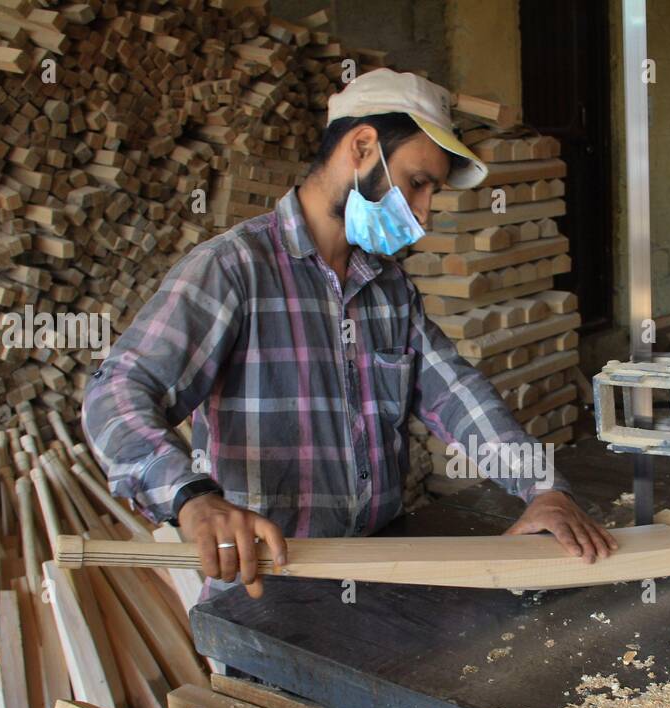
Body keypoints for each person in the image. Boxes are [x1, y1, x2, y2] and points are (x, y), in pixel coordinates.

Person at [83, 68, 616, 599]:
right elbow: (117, 393)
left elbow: (456, 396)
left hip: (377, 570)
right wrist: (191, 497)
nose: (425, 214)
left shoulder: (388, 287)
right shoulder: (233, 270)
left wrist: (543, 488)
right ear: (362, 146)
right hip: (268, 586)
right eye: (418, 183)